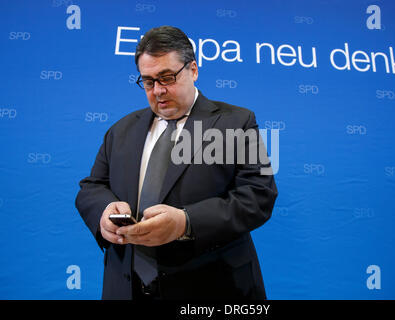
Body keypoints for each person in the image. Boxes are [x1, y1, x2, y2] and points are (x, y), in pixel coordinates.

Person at [75, 25, 277, 300]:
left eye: (167, 77)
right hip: (125, 287)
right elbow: (92, 186)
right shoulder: (120, 130)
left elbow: (259, 195)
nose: (158, 91)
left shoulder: (239, 121)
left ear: (193, 69)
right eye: (148, 81)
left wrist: (186, 222)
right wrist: (104, 210)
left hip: (212, 287)